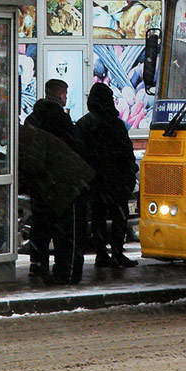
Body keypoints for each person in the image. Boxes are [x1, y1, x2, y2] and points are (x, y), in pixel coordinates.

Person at [22, 79, 92, 284]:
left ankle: (38, 264)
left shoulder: (33, 119)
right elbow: (75, 150)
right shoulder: (62, 121)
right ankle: (66, 272)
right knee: (67, 231)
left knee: (40, 226)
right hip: (63, 184)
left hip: (41, 183)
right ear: (61, 95)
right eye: (65, 95)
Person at [77, 83, 139, 269]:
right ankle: (118, 253)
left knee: (98, 218)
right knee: (119, 217)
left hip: (95, 181)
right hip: (116, 181)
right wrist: (129, 174)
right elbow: (126, 152)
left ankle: (101, 253)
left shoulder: (83, 124)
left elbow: (79, 153)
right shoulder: (116, 124)